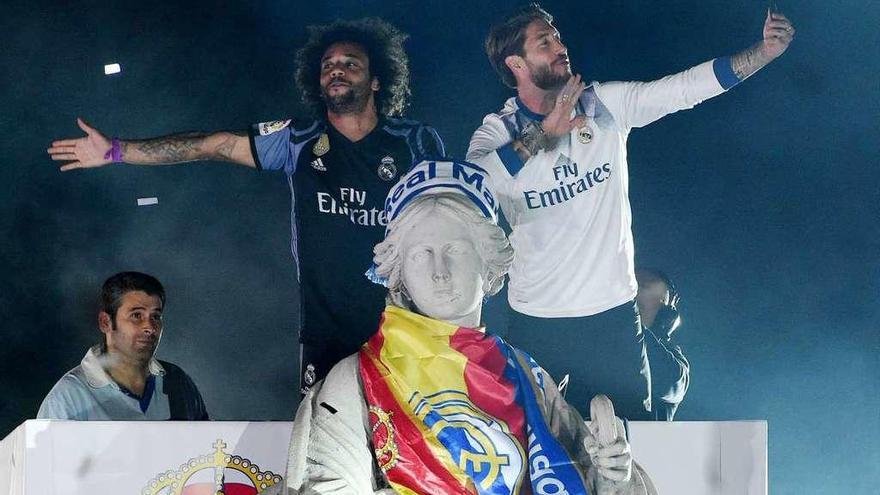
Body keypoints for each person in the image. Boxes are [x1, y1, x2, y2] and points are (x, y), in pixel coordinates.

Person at [47, 18, 445, 391]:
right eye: (328, 65)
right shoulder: (298, 139)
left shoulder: (414, 142)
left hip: (404, 327)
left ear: (377, 80)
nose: (336, 70)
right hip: (327, 337)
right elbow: (214, 144)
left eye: (350, 63)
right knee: (329, 453)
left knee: (405, 453)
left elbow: (446, 226)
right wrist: (117, 151)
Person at [466, 3, 794, 419]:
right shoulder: (498, 131)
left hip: (614, 321)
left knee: (629, 457)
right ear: (516, 63)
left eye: (558, 37)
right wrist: (543, 135)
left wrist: (762, 54)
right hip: (537, 321)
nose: (560, 47)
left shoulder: (604, 104)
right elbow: (474, 182)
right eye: (544, 42)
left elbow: (682, 90)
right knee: (528, 453)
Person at [285, 160, 657, 495]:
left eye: (456, 250)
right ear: (399, 274)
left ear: (489, 264)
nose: (439, 271)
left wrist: (615, 478)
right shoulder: (359, 378)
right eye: (421, 254)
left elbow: (593, 486)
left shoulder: (529, 378)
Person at [37, 272, 208, 420]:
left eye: (156, 316)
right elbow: (48, 458)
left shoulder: (178, 383)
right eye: (136, 315)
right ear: (106, 322)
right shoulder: (68, 398)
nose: (149, 326)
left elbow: (206, 450)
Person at [636, 269, 690, 421]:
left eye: (644, 286)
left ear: (666, 314)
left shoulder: (676, 361)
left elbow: (668, 381)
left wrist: (630, 321)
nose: (635, 291)